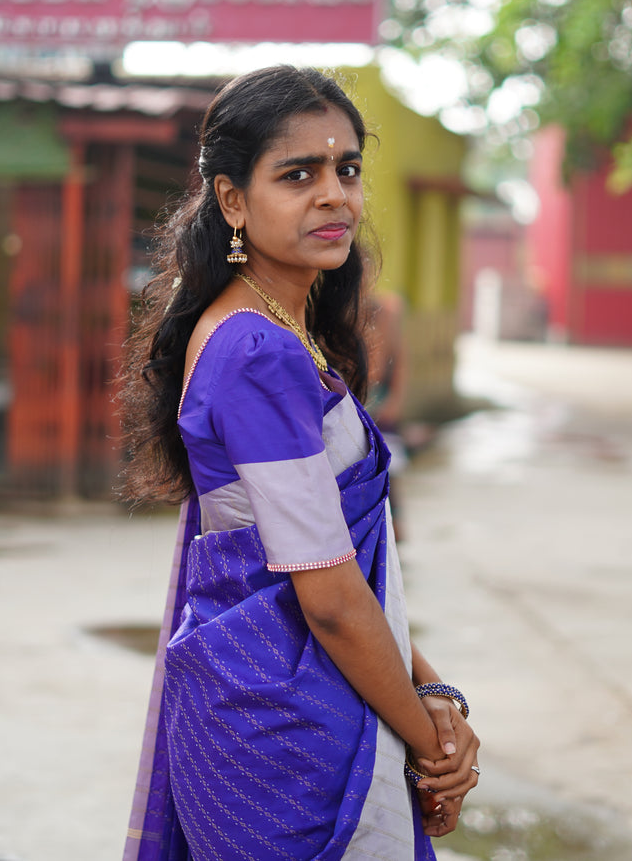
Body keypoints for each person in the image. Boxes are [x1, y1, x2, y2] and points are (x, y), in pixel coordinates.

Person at [119, 66, 480, 861]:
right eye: (298, 173)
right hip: (288, 735)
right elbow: (328, 596)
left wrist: (430, 691)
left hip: (281, 707)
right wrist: (433, 744)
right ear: (232, 200)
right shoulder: (256, 350)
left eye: (346, 169)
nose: (334, 194)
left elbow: (349, 575)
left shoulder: (276, 331)